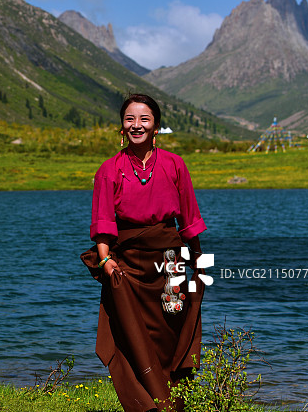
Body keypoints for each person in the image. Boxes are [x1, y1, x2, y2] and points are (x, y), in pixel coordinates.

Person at [82, 93, 206, 412]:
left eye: (144, 119)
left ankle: (172, 403)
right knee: (131, 335)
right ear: (122, 127)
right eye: (130, 119)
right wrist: (106, 259)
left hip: (169, 261)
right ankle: (145, 405)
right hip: (126, 264)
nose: (137, 125)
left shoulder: (175, 165)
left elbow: (189, 217)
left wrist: (200, 261)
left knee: (170, 329)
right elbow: (103, 220)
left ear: (156, 126)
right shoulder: (109, 169)